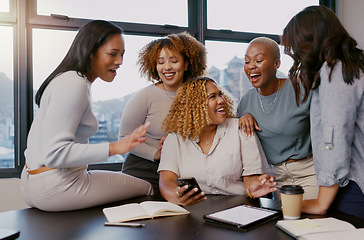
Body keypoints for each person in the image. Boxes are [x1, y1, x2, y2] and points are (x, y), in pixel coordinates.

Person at [281, 6, 364, 228]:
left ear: (311, 40)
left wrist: (321, 202)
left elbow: (333, 141)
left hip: (359, 194)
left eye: (297, 46)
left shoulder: (335, 73)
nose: (296, 54)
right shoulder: (360, 70)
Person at [20, 20, 153, 212]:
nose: (120, 62)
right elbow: (55, 154)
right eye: (112, 54)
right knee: (146, 188)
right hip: (57, 186)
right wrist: (116, 147)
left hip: (33, 181)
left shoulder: (64, 79)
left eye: (122, 55)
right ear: (91, 52)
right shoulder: (75, 84)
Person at [158, 77, 277, 206]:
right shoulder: (174, 139)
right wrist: (175, 195)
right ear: (195, 105)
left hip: (238, 207)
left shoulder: (240, 128)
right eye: (212, 97)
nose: (221, 100)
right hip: (195, 209)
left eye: (220, 95)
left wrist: (252, 187)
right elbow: (166, 180)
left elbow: (251, 178)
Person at [119, 32, 206, 197]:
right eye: (161, 62)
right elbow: (124, 138)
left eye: (174, 61)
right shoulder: (144, 97)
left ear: (186, 64)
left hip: (183, 171)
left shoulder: (198, 94)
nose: (167, 67)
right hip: (144, 169)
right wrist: (158, 154)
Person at [237, 37, 318, 200]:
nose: (251, 66)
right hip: (275, 179)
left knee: (309, 222)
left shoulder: (300, 89)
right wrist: (243, 117)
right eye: (247, 61)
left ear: (276, 64)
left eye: (258, 60)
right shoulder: (247, 100)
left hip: (310, 173)